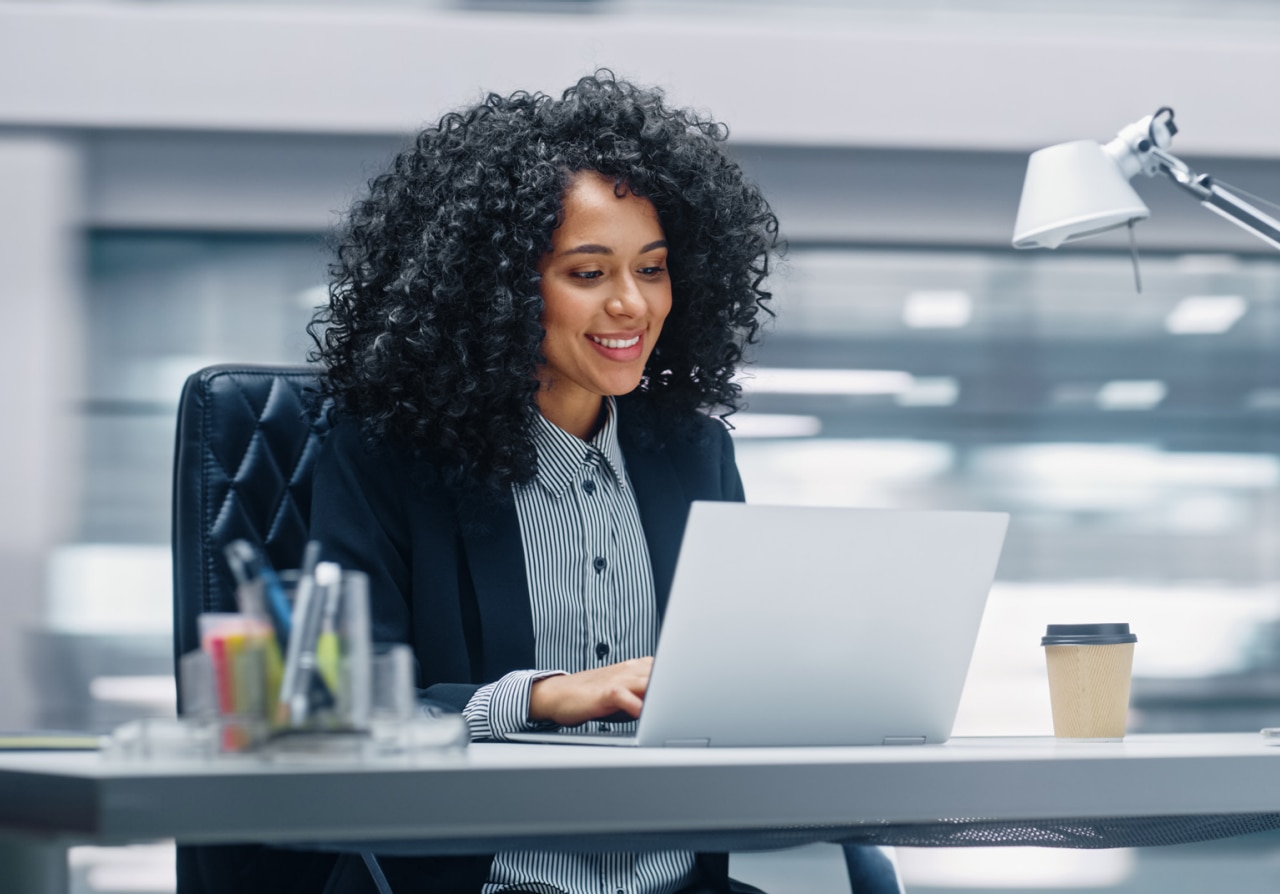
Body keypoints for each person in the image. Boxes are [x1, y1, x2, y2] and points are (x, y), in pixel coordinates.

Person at [300, 71, 778, 894]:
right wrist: (538, 697)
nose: (633, 304)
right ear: (496, 291)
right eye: (588, 274)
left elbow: (730, 681)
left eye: (653, 269)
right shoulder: (389, 458)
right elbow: (335, 711)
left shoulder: (695, 455)